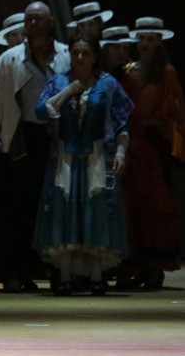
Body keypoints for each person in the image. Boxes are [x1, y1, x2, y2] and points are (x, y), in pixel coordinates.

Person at [0, 1, 71, 292]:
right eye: (29, 19)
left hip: (58, 136)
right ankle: (15, 272)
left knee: (57, 205)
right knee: (18, 206)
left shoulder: (67, 55)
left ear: (50, 21)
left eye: (38, 19)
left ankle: (59, 270)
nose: (33, 24)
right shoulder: (9, 59)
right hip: (22, 136)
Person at [34, 34, 133, 296]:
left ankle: (97, 276)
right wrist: (67, 91)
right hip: (65, 157)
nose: (79, 58)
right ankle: (66, 275)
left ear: (95, 56)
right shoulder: (58, 81)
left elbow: (122, 122)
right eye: (75, 52)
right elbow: (41, 111)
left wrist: (121, 152)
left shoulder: (107, 83)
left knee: (95, 211)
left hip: (97, 156)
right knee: (64, 212)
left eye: (85, 53)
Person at [119, 17, 185, 289]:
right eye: (141, 38)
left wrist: (151, 122)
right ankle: (138, 265)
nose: (145, 43)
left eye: (150, 39)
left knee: (155, 206)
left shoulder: (165, 73)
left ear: (159, 42)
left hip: (154, 146)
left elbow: (177, 112)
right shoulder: (127, 69)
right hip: (130, 145)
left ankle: (155, 266)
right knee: (132, 205)